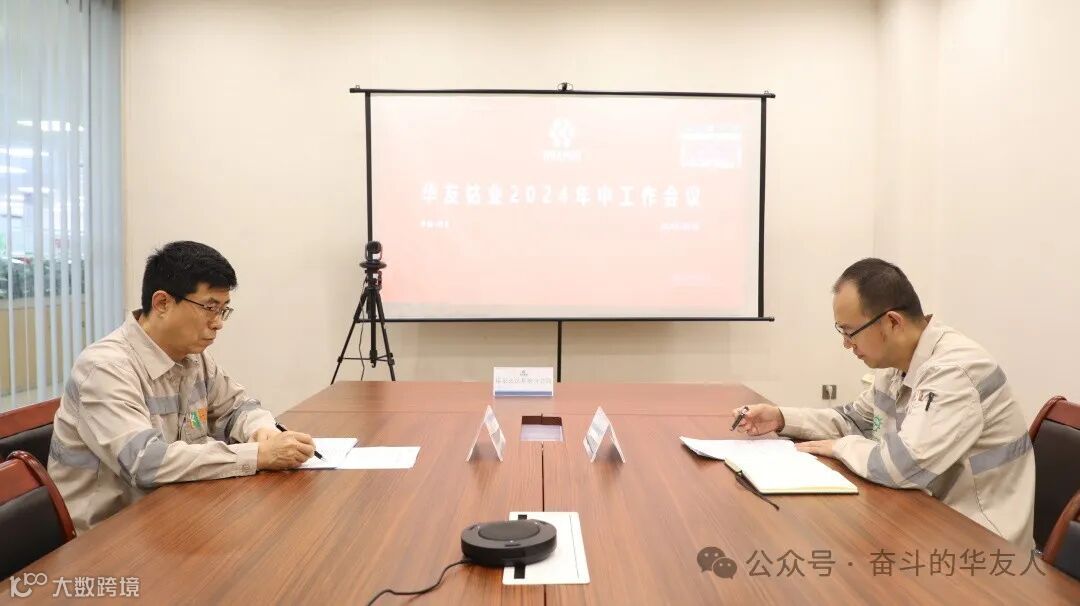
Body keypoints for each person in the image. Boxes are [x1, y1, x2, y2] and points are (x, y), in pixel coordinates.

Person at [734, 258, 1035, 550]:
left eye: (850, 332)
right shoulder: (896, 364)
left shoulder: (956, 371)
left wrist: (840, 447)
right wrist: (781, 418)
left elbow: (902, 467)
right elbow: (854, 420)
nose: (846, 344)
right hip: (928, 516)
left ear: (892, 322)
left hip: (983, 542)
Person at [49, 241, 315, 532]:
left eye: (223, 310)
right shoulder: (105, 368)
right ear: (162, 303)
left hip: (172, 514)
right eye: (210, 308)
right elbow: (145, 463)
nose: (218, 323)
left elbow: (237, 407)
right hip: (109, 535)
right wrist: (258, 455)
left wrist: (260, 430)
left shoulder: (193, 357)